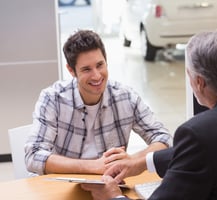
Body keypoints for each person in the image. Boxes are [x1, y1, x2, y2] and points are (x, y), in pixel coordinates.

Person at [81, 31, 217, 200]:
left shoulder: (198, 133)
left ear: (199, 82)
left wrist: (113, 196)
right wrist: (142, 162)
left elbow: (205, 148)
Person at [24, 30, 172, 175]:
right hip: (64, 186)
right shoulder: (53, 98)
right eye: (86, 69)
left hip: (110, 186)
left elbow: (164, 139)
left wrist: (133, 161)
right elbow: (33, 156)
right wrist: (93, 166)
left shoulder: (125, 96)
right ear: (71, 70)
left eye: (100, 65)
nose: (96, 76)